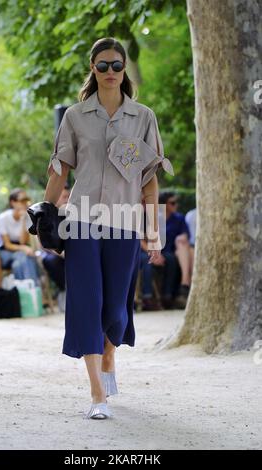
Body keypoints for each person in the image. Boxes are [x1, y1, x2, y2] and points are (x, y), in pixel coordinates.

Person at [43, 37, 174, 419]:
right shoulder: (75, 116)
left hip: (125, 223)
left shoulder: (143, 117)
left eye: (117, 65)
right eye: (103, 66)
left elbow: (150, 181)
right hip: (82, 221)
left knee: (116, 309)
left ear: (125, 68)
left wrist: (154, 232)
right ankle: (97, 395)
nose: (111, 72)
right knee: (86, 304)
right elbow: (59, 170)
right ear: (92, 69)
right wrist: (45, 216)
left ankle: (110, 357)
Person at [153, 191, 192, 309]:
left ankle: (182, 285)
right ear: (164, 204)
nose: (176, 205)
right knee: (170, 259)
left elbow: (185, 235)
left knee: (177, 251)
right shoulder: (154, 217)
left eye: (176, 203)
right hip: (158, 250)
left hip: (174, 250)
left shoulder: (179, 218)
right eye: (173, 203)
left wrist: (182, 237)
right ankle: (171, 294)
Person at [0, 188, 40, 286]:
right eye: (22, 200)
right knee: (24, 258)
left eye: (27, 200)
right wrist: (24, 248)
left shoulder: (27, 217)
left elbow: (22, 241)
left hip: (21, 249)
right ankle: (32, 289)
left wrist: (23, 220)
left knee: (22, 261)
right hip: (6, 251)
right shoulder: (3, 218)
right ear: (13, 202)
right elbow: (7, 245)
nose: (26, 203)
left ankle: (27, 290)